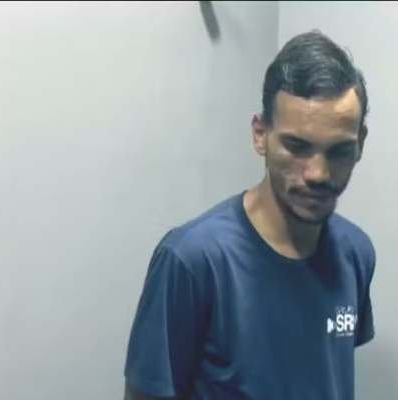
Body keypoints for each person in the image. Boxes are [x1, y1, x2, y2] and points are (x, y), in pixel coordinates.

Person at [123, 30, 376, 400]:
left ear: (360, 144)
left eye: (338, 150)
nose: (318, 174)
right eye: (297, 146)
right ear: (260, 134)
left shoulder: (356, 253)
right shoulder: (192, 261)